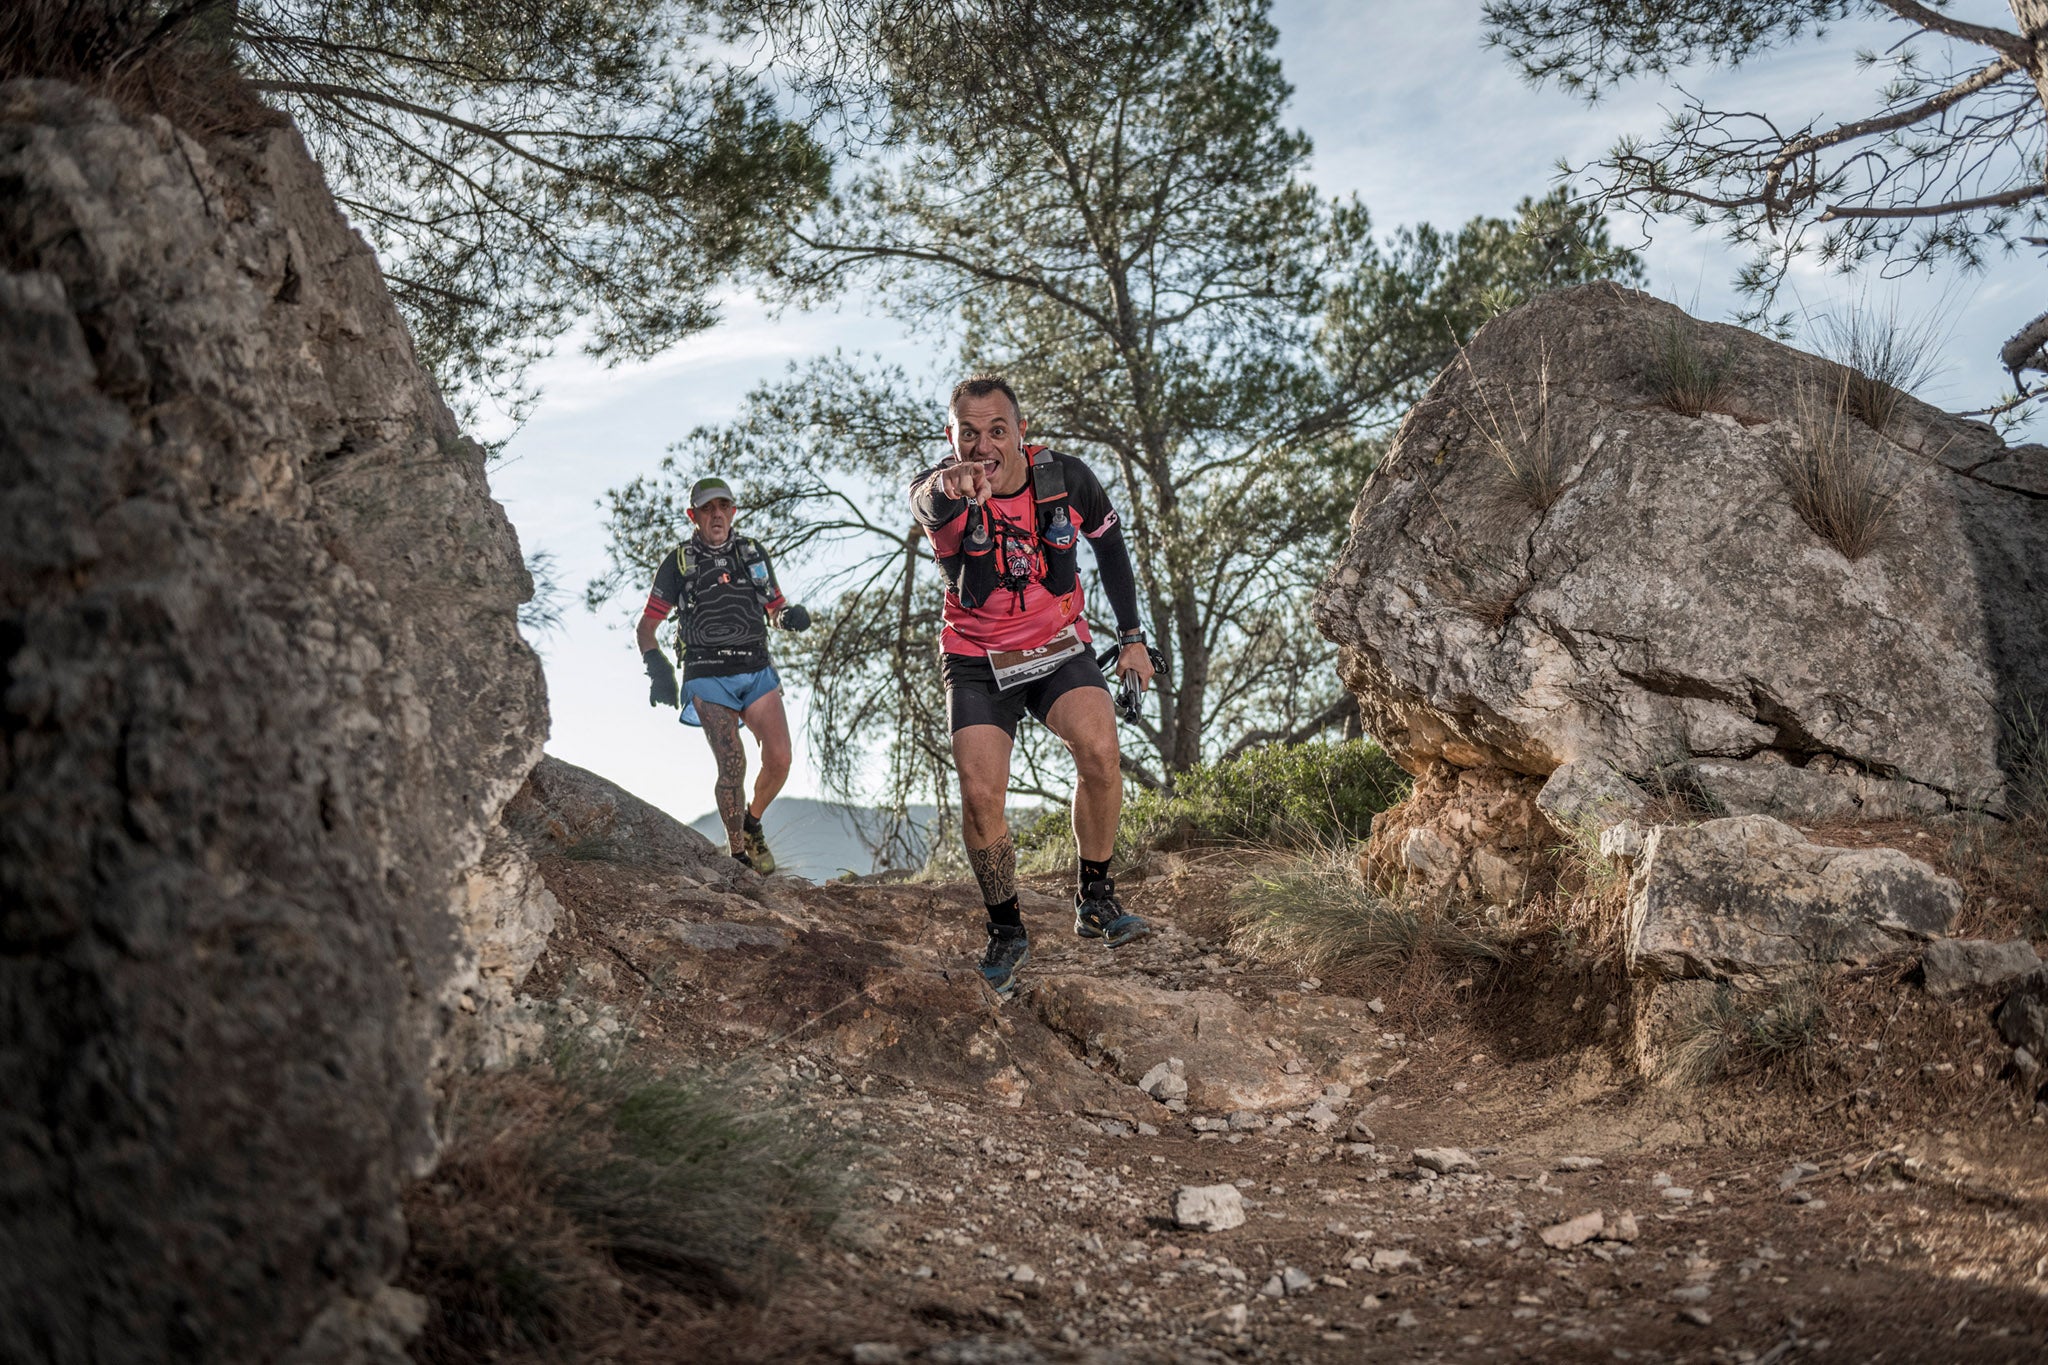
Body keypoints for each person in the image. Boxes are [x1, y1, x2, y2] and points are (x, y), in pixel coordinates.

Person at [908, 374, 1157, 994]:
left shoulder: (1065, 479)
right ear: (951, 437)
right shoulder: (942, 491)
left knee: (1100, 752)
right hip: (978, 659)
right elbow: (926, 500)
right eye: (969, 433)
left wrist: (1131, 638)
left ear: (1022, 431)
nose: (983, 445)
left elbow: (1111, 546)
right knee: (980, 793)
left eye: (997, 430)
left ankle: (1095, 900)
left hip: (1055, 648)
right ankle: (1006, 929)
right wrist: (950, 483)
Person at [637, 475, 809, 872]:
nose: (716, 515)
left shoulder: (750, 553)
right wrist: (657, 668)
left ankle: (752, 824)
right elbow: (647, 627)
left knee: (780, 758)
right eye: (707, 509)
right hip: (706, 672)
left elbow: (775, 608)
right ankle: (738, 858)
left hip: (755, 667)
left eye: (723, 507)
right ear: (692, 515)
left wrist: (790, 617)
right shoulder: (679, 562)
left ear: (733, 511)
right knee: (733, 764)